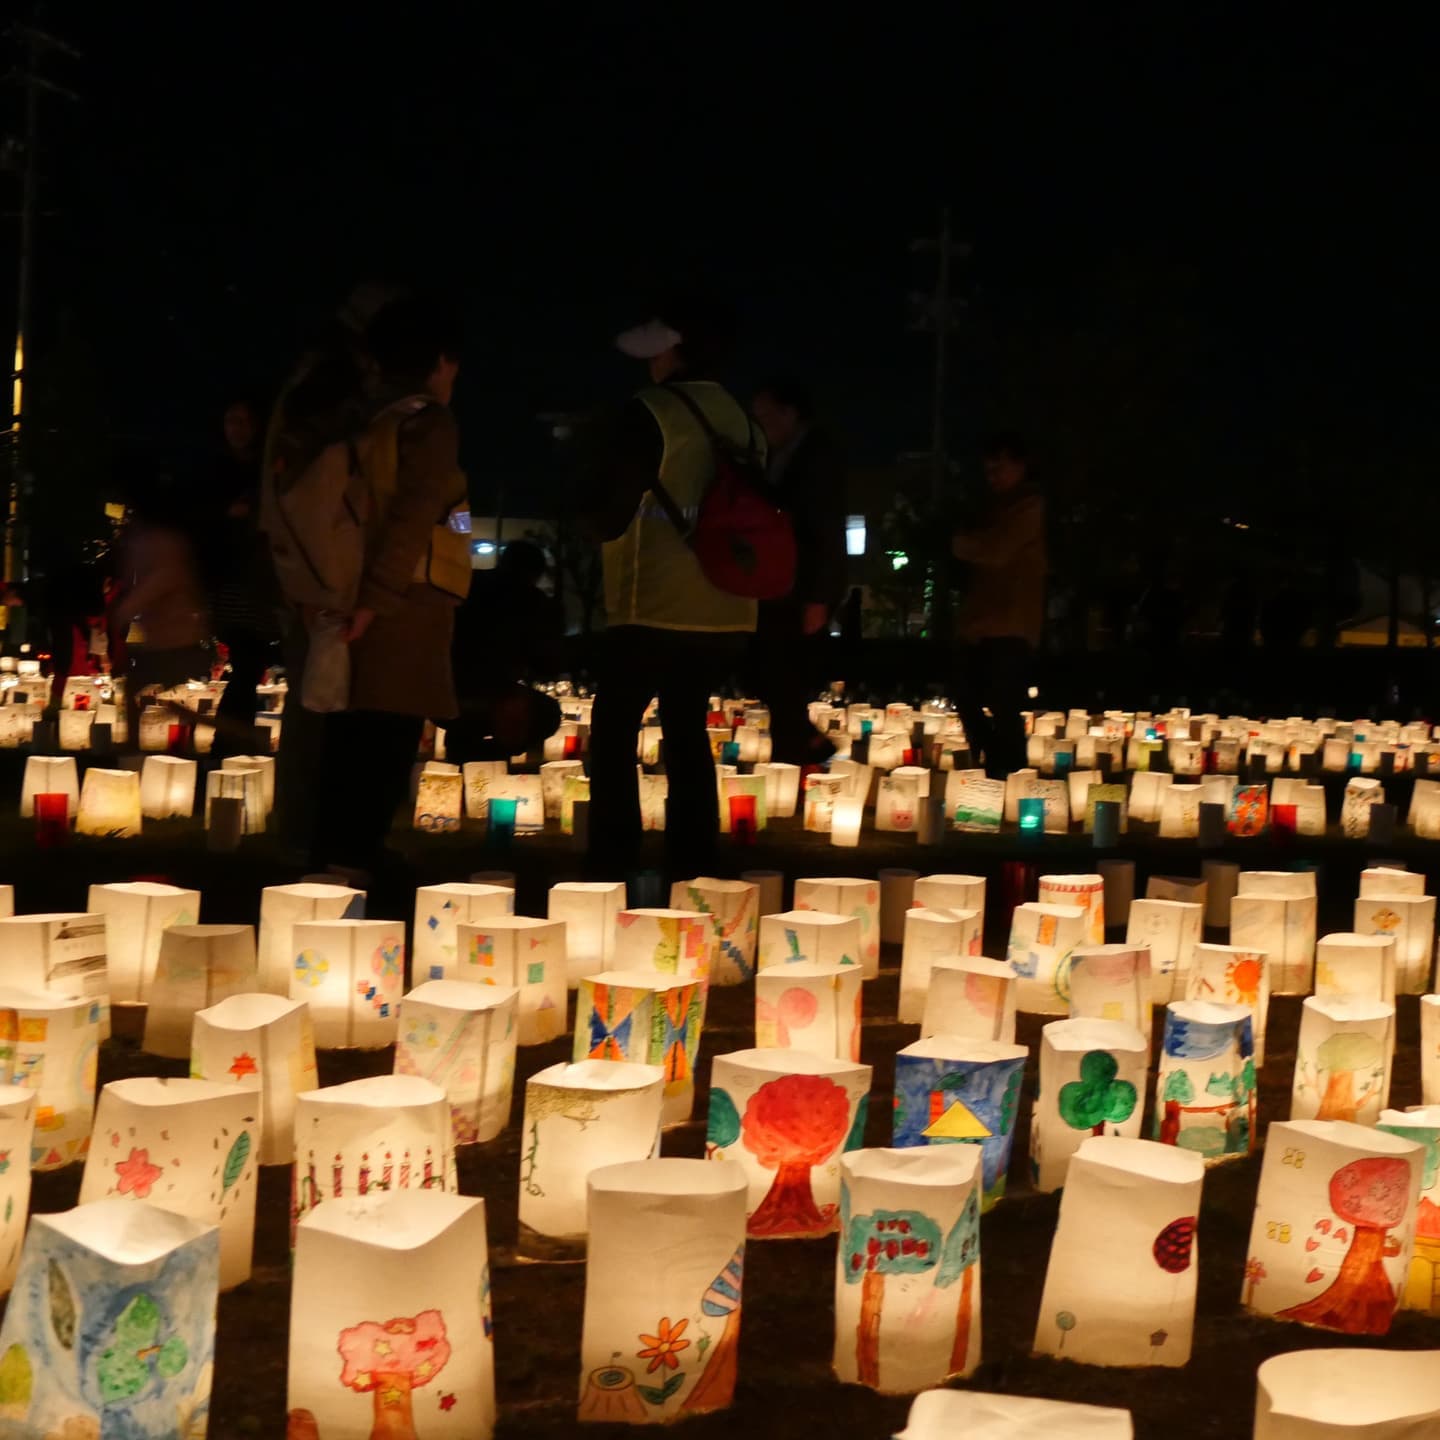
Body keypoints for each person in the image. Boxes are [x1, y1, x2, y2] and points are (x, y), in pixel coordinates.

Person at [583, 297, 762, 881]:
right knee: (686, 730)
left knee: (614, 731)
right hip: (727, 607)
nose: (651, 362)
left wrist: (590, 525)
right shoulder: (744, 421)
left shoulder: (651, 411)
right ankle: (693, 861)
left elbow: (611, 508)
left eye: (656, 350)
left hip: (653, 603)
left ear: (676, 351)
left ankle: (613, 860)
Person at [309, 294, 469, 877]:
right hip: (405, 595)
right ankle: (357, 856)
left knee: (352, 727)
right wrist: (378, 600)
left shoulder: (365, 419)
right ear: (440, 361)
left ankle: (333, 852)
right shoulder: (427, 421)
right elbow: (413, 517)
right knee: (390, 727)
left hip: (347, 585)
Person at [749, 377, 847, 765]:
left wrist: (819, 597)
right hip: (777, 582)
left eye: (766, 415)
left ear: (790, 413)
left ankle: (795, 760)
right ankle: (804, 751)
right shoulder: (778, 456)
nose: (761, 425)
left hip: (799, 586)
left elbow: (826, 527)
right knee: (774, 680)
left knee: (782, 680)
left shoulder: (815, 456)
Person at [951, 433, 1045, 775]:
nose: (993, 477)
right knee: (965, 693)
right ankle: (994, 763)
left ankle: (1009, 772)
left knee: (1003, 703)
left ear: (1021, 466)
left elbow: (997, 550)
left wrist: (962, 544)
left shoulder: (1029, 505)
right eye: (988, 470)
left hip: (1011, 622)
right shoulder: (992, 507)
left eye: (1000, 468)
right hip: (981, 622)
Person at [201, 397, 279, 752]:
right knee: (247, 666)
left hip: (260, 580)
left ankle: (232, 742)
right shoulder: (217, 472)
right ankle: (230, 743)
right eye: (231, 420)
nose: (236, 428)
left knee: (249, 666)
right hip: (232, 580)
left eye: (243, 420)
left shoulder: (267, 469)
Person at [108, 478, 211, 743]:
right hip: (161, 637)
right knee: (142, 691)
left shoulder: (161, 542)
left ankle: (172, 742)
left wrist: (126, 610)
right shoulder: (145, 541)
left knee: (155, 691)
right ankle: (152, 743)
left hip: (176, 639)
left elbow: (164, 579)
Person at [447, 539, 564, 761]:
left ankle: (462, 755)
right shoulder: (534, 603)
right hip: (495, 691)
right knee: (545, 715)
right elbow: (545, 660)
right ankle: (493, 760)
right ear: (535, 574)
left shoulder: (468, 583)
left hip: (446, 682)